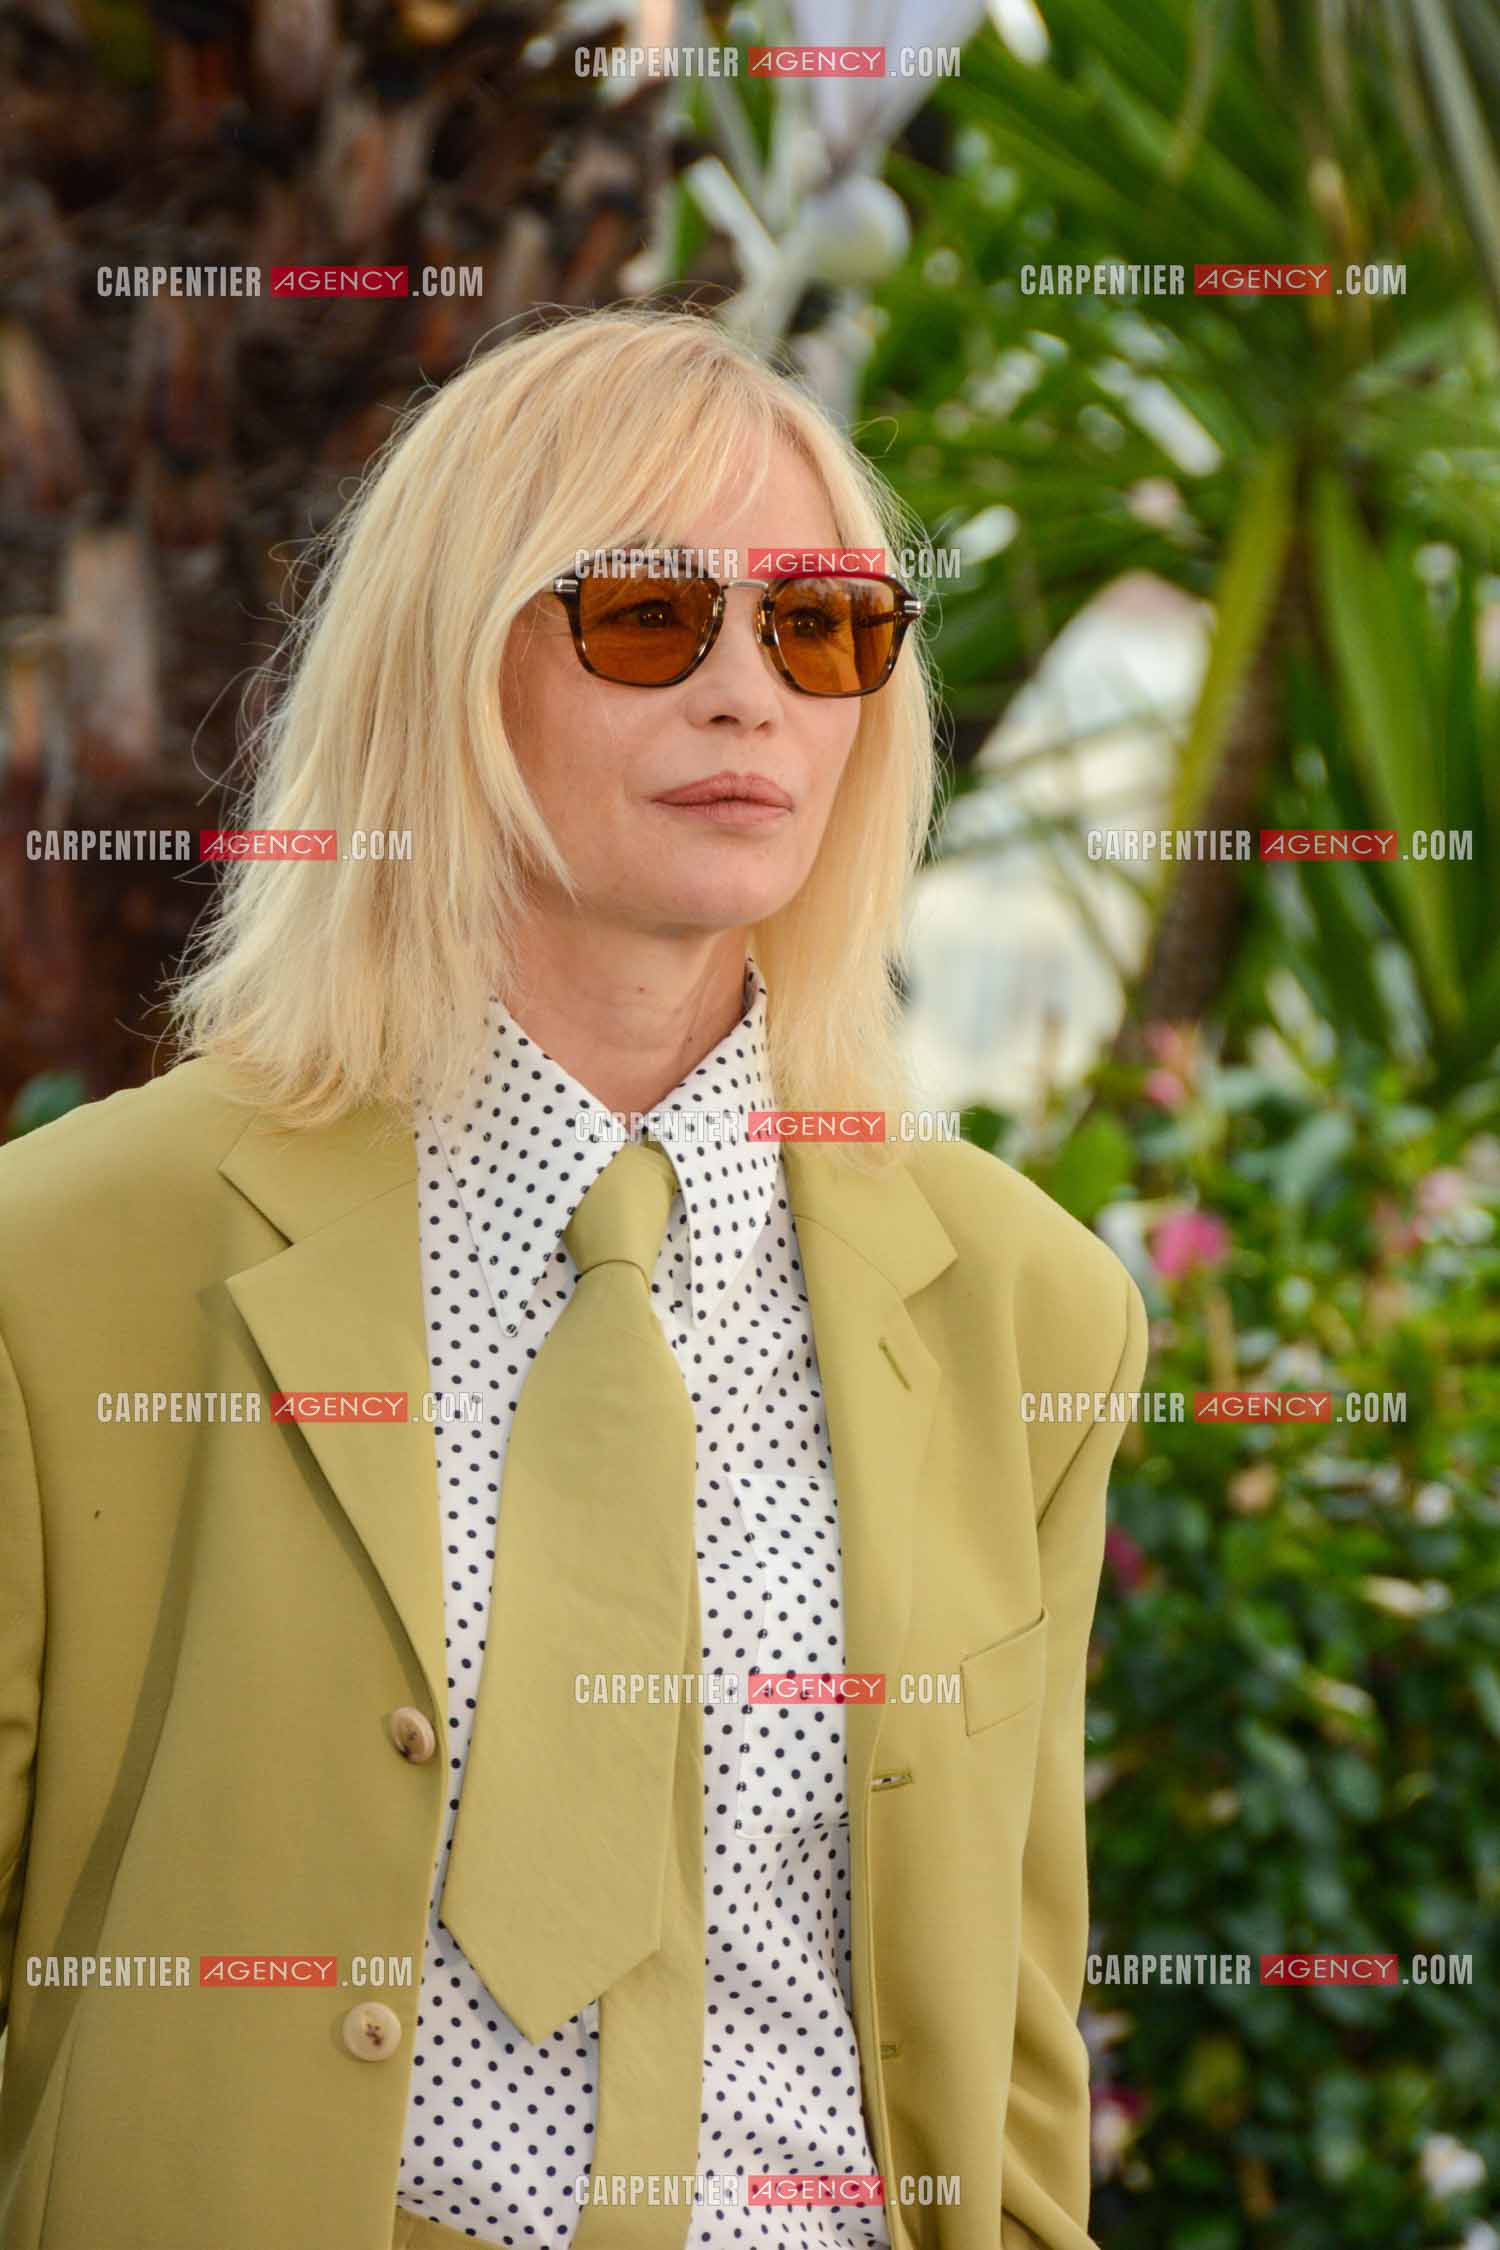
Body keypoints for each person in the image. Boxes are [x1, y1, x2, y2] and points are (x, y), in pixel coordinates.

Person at [0, 306, 1147, 2250]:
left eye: (823, 626)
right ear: (443, 671)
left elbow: (1010, 2059)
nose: (747, 696)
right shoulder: (71, 1265)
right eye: (642, 617)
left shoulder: (1020, 1308)